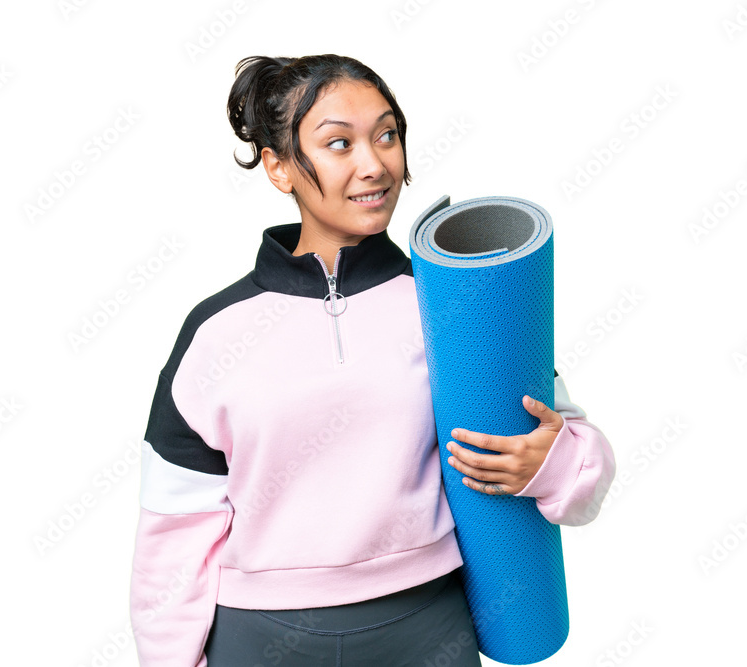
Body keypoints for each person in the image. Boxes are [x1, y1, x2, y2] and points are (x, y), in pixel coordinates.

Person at [129, 54, 616, 667]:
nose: (375, 164)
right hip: (259, 639)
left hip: (427, 626)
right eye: (340, 143)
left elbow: (580, 458)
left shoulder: (455, 306)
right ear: (278, 167)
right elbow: (173, 535)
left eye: (387, 136)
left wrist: (552, 462)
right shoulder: (215, 331)